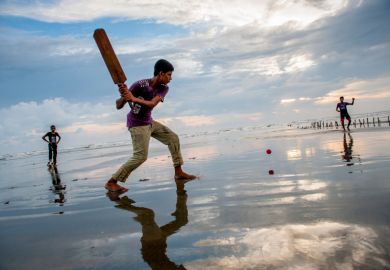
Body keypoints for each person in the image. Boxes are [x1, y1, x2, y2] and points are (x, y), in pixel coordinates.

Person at [105, 59, 196, 192]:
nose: (171, 78)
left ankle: (178, 172)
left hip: (149, 122)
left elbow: (152, 104)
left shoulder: (163, 88)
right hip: (137, 124)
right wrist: (125, 96)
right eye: (169, 75)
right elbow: (118, 105)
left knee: (173, 138)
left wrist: (133, 98)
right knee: (140, 156)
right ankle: (112, 182)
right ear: (161, 73)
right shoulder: (139, 85)